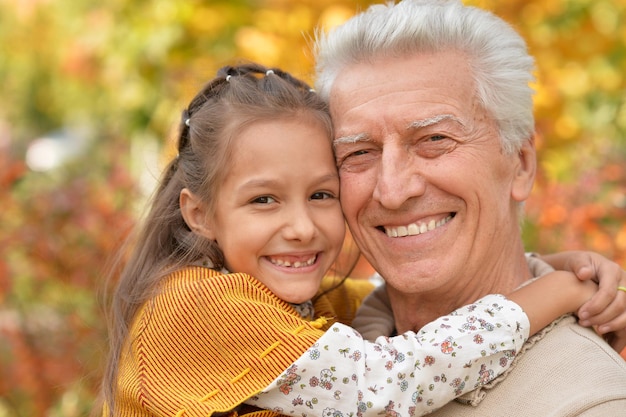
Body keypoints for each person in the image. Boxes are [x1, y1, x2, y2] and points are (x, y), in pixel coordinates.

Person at [98, 63, 619, 417]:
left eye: (322, 195)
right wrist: (561, 292)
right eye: (264, 200)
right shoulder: (197, 308)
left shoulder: (293, 301)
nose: (301, 227)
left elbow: (393, 288)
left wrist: (545, 265)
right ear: (200, 213)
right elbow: (385, 382)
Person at [312, 0, 626, 415]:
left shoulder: (589, 403)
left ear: (520, 163)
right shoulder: (320, 337)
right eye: (359, 152)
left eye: (435, 140)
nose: (392, 190)